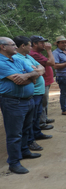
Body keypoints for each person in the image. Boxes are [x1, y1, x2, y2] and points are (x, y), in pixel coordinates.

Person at [0, 37, 42, 174]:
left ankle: (24, 151)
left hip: (27, 100)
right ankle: (14, 162)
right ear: (3, 47)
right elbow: (19, 81)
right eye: (12, 45)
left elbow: (37, 73)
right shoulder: (1, 62)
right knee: (14, 134)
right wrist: (29, 78)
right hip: (13, 102)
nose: (16, 47)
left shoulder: (17, 59)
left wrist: (25, 76)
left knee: (26, 129)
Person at [13, 36, 53, 152]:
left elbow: (41, 69)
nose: (31, 47)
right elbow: (29, 73)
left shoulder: (28, 56)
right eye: (29, 45)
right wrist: (35, 72)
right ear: (23, 46)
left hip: (38, 92)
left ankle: (37, 133)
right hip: (32, 93)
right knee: (30, 119)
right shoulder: (17, 58)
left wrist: (36, 71)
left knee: (36, 115)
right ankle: (30, 141)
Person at [29, 35, 55, 130]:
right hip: (42, 82)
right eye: (41, 43)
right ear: (34, 44)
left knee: (45, 102)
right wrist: (49, 50)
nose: (44, 44)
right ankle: (41, 123)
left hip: (46, 81)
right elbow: (52, 63)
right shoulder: (34, 54)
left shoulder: (38, 53)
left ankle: (44, 118)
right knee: (42, 102)